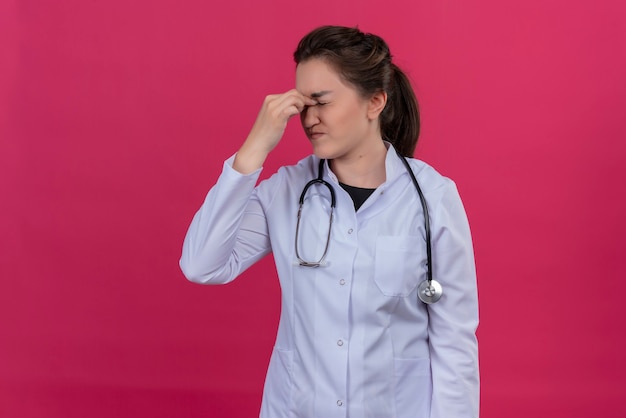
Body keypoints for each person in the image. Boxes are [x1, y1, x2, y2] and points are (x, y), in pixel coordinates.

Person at [180, 25, 479, 418]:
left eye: (321, 102)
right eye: (303, 105)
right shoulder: (286, 190)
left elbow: (454, 342)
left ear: (374, 102)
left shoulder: (433, 197)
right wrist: (253, 150)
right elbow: (201, 265)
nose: (309, 119)